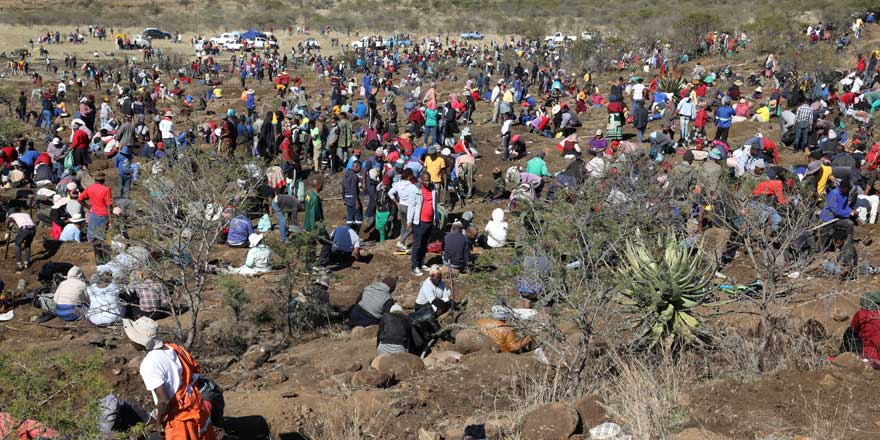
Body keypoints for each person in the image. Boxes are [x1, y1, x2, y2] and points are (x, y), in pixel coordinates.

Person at [122, 317, 217, 440]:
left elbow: (164, 401)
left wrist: (159, 422)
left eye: (132, 338)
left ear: (140, 340)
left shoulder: (150, 363)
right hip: (197, 406)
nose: (130, 341)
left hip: (180, 417)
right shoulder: (174, 348)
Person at [78, 172, 113, 263]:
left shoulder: (90, 188)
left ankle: (97, 257)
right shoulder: (106, 189)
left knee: (92, 236)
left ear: (95, 179)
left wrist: (89, 207)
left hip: (93, 215)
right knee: (101, 237)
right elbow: (109, 206)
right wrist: (110, 220)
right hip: (103, 215)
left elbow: (80, 199)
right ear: (103, 180)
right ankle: (103, 258)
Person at [408, 173, 439, 275]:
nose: (427, 182)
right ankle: (414, 266)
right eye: (425, 180)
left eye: (429, 180)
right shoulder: (416, 190)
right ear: (421, 180)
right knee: (417, 244)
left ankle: (421, 262)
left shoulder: (433, 189)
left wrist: (437, 217)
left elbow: (435, 204)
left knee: (425, 243)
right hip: (419, 221)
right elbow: (411, 205)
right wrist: (409, 220)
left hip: (430, 221)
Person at [843, 291, 880, 367]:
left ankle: (855, 355)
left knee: (849, 332)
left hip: (868, 352)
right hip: (874, 352)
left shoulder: (861, 313)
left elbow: (853, 328)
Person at [389, 169, 418, 250]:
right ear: (409, 176)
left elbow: (390, 193)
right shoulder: (411, 186)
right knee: (411, 227)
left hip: (401, 205)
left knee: (403, 225)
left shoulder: (398, 184)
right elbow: (418, 194)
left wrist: (397, 202)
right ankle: (401, 241)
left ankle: (402, 244)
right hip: (409, 207)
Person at [343, 160, 363, 227]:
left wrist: (344, 199)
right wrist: (357, 202)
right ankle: (356, 233)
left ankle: (349, 234)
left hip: (347, 199)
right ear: (357, 167)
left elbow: (343, 188)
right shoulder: (354, 176)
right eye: (360, 168)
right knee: (359, 217)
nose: (360, 169)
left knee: (350, 217)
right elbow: (354, 189)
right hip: (353, 200)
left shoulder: (346, 174)